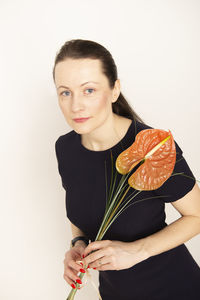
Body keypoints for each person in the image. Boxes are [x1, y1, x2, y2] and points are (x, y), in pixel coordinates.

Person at [53, 39, 200, 300]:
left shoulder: (153, 147)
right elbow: (80, 215)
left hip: (175, 289)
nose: (75, 106)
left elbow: (197, 215)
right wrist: (77, 246)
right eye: (65, 92)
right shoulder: (65, 148)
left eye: (88, 90)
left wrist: (137, 250)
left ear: (114, 90)